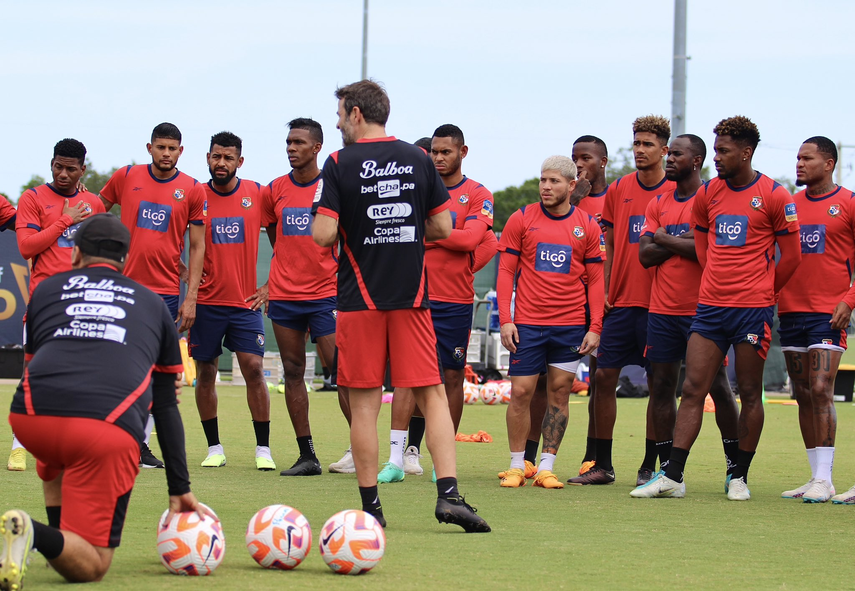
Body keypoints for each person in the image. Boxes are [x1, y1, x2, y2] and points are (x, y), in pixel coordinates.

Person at [312, 79, 489, 532]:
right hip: (412, 297)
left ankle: (371, 510)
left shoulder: (337, 162)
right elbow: (443, 225)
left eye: (339, 116)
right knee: (432, 396)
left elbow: (323, 235)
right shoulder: (417, 157)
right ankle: (449, 496)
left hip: (359, 300)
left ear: (355, 113)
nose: (337, 124)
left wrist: (355, 221)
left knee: (366, 403)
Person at [1, 213, 210, 586]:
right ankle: (32, 533)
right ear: (125, 261)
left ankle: (57, 542)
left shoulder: (46, 291)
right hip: (103, 430)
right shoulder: (152, 304)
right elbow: (164, 405)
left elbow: (33, 368)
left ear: (75, 254)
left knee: (56, 455)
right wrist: (179, 487)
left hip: (29, 419)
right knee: (94, 566)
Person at [638, 116, 801, 500]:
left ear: (746, 153)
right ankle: (673, 476)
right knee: (693, 388)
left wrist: (765, 292)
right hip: (709, 308)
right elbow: (703, 247)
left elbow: (791, 258)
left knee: (748, 391)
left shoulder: (775, 195)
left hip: (752, 310)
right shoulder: (708, 193)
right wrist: (716, 282)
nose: (717, 158)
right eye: (715, 150)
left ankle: (739, 476)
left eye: (724, 151)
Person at [377, 123, 496, 483]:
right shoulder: (412, 189)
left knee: (452, 376)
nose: (439, 158)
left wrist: (430, 239)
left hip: (455, 300)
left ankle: (443, 460)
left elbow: (476, 239)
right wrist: (450, 239)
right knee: (405, 378)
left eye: (446, 151)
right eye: (434, 152)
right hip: (412, 296)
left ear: (462, 152)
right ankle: (396, 459)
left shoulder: (478, 193)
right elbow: (394, 233)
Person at [629, 134, 740, 497]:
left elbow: (706, 251)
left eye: (677, 153)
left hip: (703, 311)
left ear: (696, 161)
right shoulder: (658, 202)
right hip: (661, 310)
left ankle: (734, 468)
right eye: (669, 152)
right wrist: (677, 244)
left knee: (718, 389)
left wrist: (663, 239)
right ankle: (667, 473)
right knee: (660, 388)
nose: (669, 158)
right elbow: (644, 257)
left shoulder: (711, 198)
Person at [568, 116, 675, 486]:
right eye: (636, 143)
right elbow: (608, 247)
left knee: (660, 384)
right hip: (619, 303)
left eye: (648, 144)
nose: (640, 150)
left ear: (664, 149)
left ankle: (651, 465)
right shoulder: (620, 189)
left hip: (660, 306)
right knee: (602, 378)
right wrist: (607, 292)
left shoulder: (676, 192)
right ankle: (603, 464)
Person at [99, 122, 207, 469]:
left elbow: (197, 245)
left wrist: (190, 298)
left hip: (165, 296)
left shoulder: (191, 189)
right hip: (123, 289)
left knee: (155, 371)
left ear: (181, 151)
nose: (166, 153)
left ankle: (139, 445)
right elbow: (97, 211)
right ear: (150, 148)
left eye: (172, 148)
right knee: (116, 366)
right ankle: (107, 438)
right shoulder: (126, 176)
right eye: (160, 147)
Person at [497, 156, 604, 489]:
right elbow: (505, 271)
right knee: (522, 392)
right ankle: (518, 465)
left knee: (559, 394)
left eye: (554, 181)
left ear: (571, 186)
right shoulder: (522, 218)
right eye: (543, 180)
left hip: (570, 325)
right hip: (527, 324)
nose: (546, 186)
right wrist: (505, 319)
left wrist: (595, 326)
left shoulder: (587, 225)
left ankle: (546, 466)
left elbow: (597, 279)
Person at [264, 118, 351, 476]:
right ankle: (307, 455)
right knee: (293, 371)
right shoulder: (275, 189)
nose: (291, 148)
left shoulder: (332, 187)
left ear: (317, 147)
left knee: (342, 372)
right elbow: (273, 230)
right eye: (288, 142)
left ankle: (356, 449)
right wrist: (287, 267)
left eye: (298, 142)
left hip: (326, 295)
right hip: (285, 295)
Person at [11, 139, 105, 472]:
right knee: (32, 374)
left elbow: (103, 255)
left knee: (80, 378)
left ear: (83, 169)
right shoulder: (33, 198)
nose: (62, 174)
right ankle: (19, 446)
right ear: (51, 163)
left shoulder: (94, 203)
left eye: (70, 168)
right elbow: (26, 247)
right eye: (57, 166)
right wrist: (64, 221)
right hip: (44, 302)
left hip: (83, 305)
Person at [776, 137, 855, 503]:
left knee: (822, 387)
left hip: (830, 313)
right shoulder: (789, 205)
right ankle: (815, 478)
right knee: (804, 393)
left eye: (807, 158)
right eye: (797, 158)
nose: (799, 164)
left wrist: (849, 300)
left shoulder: (849, 203)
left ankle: (826, 479)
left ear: (829, 163)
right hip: (791, 312)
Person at [189, 132, 274, 471]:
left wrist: (271, 284)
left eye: (228, 158)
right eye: (215, 157)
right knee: (205, 372)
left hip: (245, 303)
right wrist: (183, 274)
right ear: (207, 158)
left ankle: (263, 449)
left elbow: (284, 235)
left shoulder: (257, 193)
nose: (220, 163)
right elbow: (172, 234)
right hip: (206, 304)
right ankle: (214, 447)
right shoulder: (197, 195)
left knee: (254, 369)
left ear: (240, 162)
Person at [570, 135, 609, 475]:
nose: (579, 164)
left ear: (602, 163)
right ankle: (527, 457)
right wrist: (574, 198)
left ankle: (594, 456)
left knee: (601, 380)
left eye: (585, 158)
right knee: (547, 381)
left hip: (609, 304)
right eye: (574, 158)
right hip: (571, 302)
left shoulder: (616, 200)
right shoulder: (569, 201)